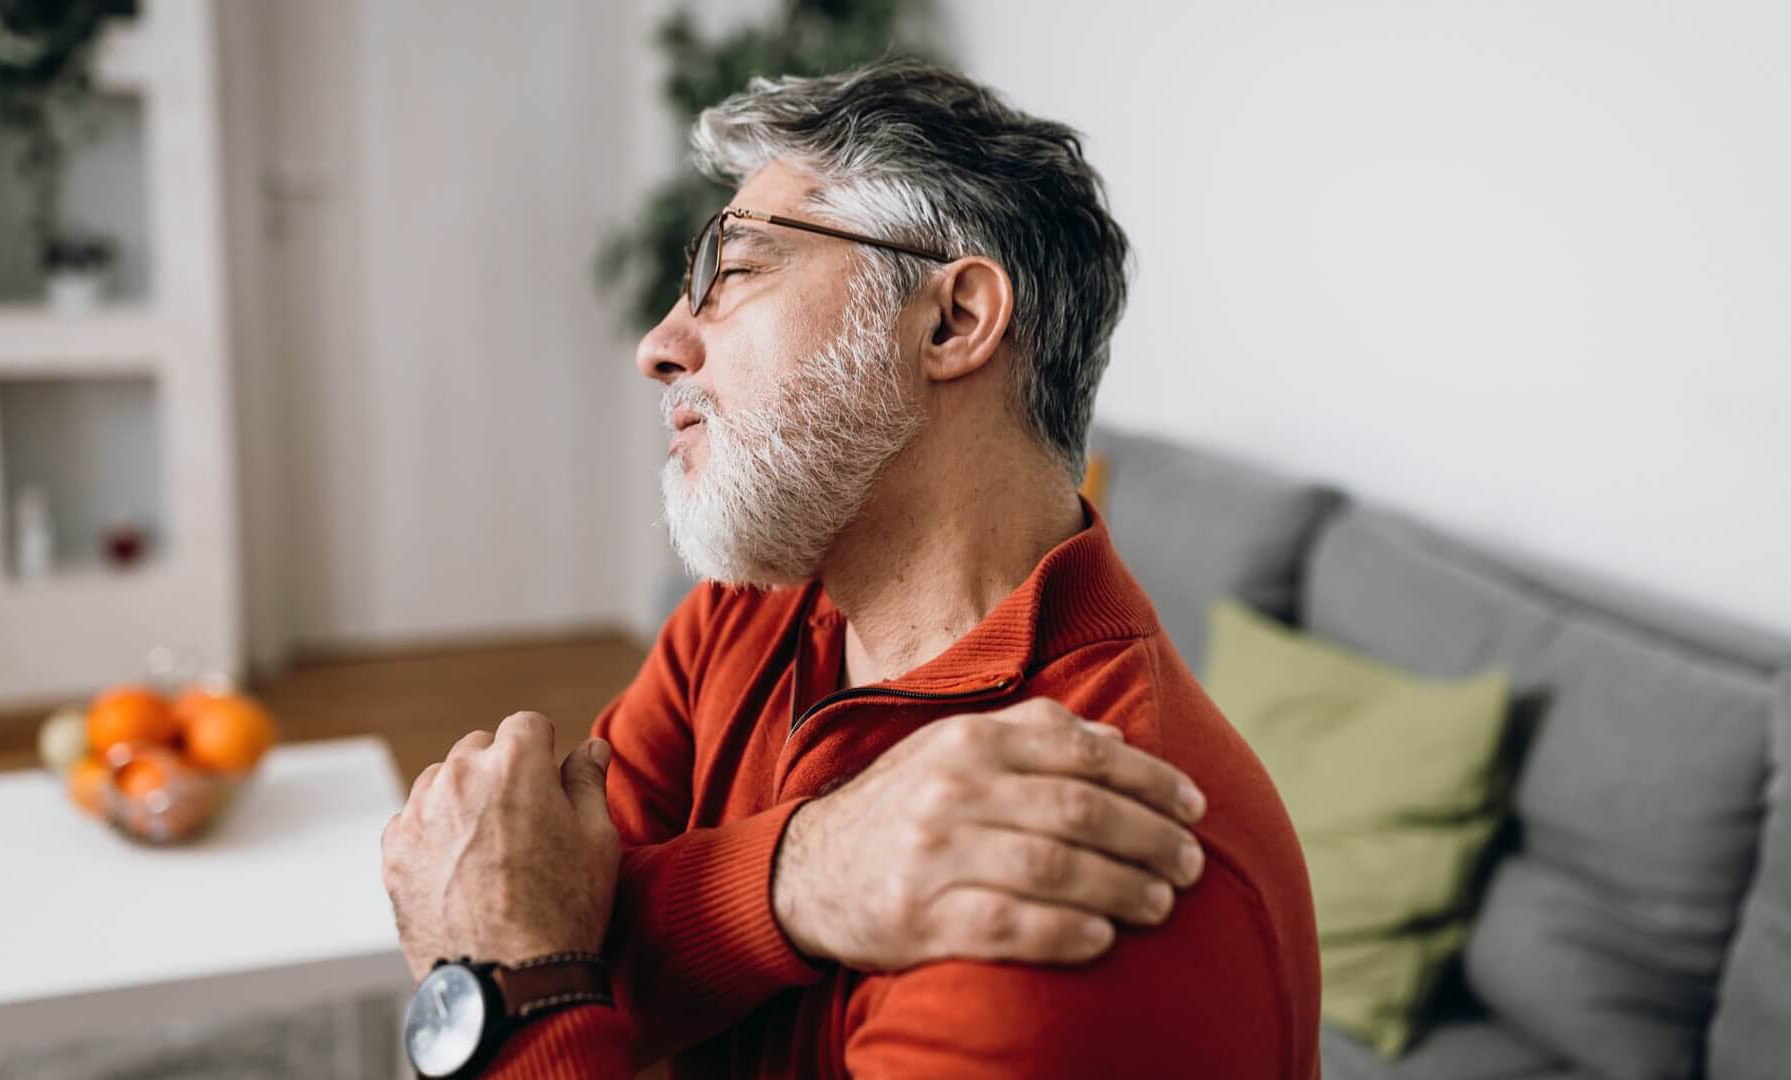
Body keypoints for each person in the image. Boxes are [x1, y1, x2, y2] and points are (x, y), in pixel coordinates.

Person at [383, 58, 1320, 1079]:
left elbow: (536, 942)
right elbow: (560, 921)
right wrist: (794, 877)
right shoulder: (741, 624)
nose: (661, 343)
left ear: (951, 322)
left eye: (734, 271)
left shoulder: (1062, 850)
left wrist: (501, 974)